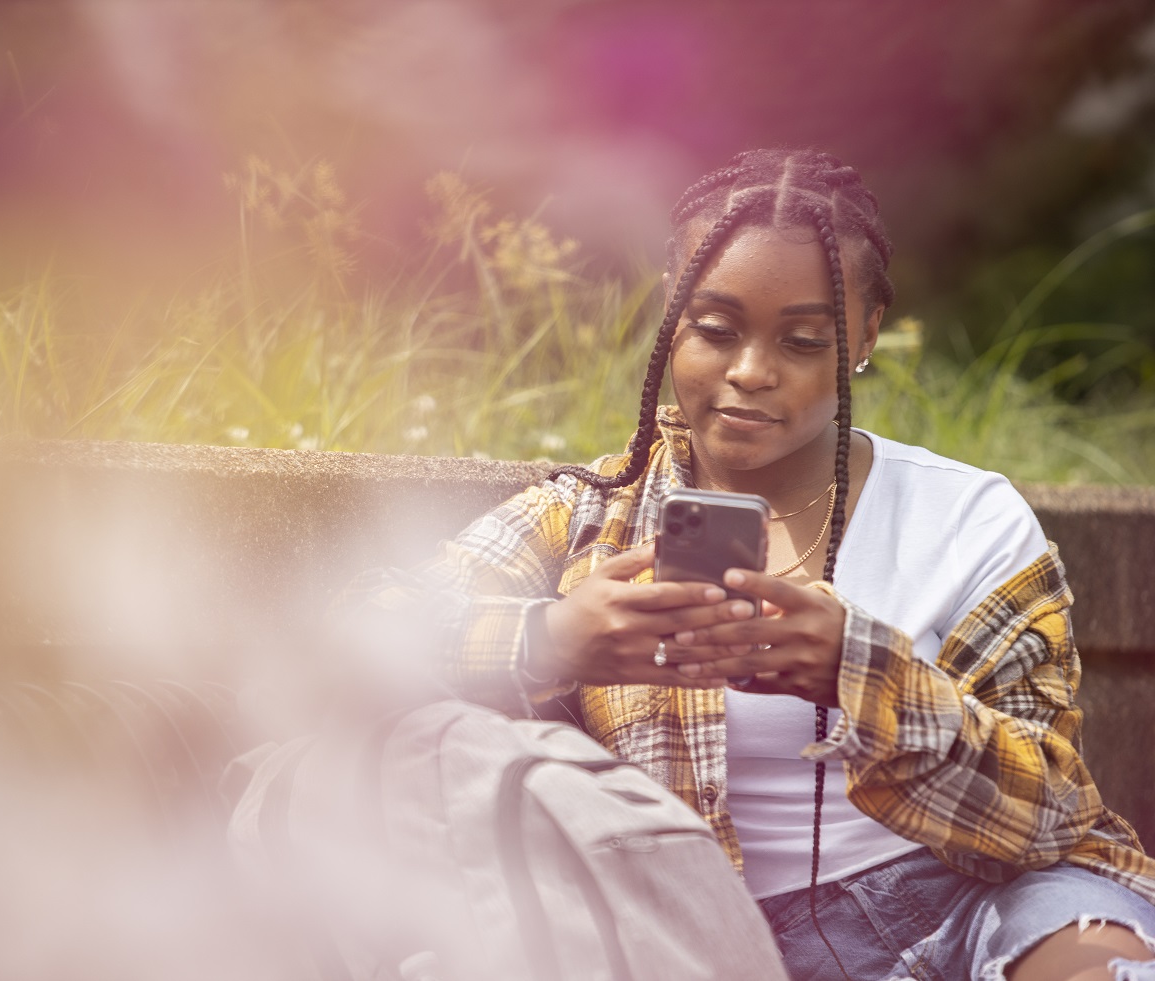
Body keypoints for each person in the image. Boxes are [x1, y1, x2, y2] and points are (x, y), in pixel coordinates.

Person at [350, 148, 1155, 980]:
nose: (749, 373)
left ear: (866, 334)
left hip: (956, 902)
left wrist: (861, 673)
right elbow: (360, 638)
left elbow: (1052, 809)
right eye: (715, 329)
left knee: (1090, 944)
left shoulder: (968, 518)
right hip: (690, 937)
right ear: (673, 312)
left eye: (803, 340)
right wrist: (552, 637)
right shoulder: (589, 515)